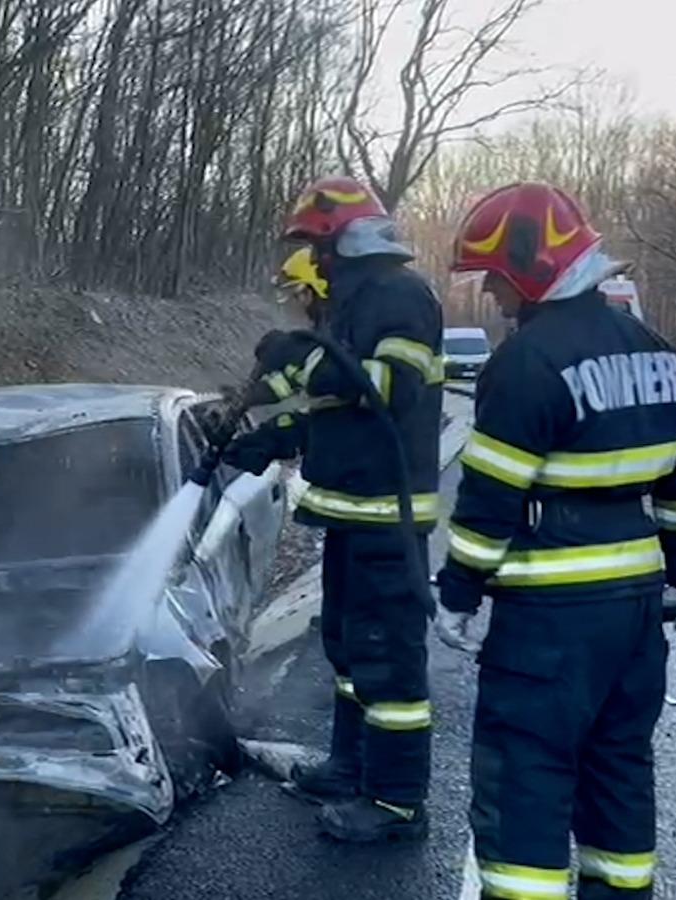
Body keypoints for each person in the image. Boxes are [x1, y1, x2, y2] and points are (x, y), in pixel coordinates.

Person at [435, 182, 676, 899]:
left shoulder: (526, 363)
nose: (495, 295)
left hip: (548, 620)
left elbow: (491, 499)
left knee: (526, 775)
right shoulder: (654, 351)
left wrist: (457, 593)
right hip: (633, 613)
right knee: (620, 769)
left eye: (497, 278)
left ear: (530, 264)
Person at [223, 175, 445, 842]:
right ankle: (350, 768)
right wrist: (273, 438)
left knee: (388, 661)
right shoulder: (355, 302)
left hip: (387, 515)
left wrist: (306, 356)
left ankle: (397, 802)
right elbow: (339, 411)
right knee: (350, 651)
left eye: (317, 248)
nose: (314, 263)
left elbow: (387, 391)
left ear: (343, 240)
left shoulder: (398, 296)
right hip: (352, 514)